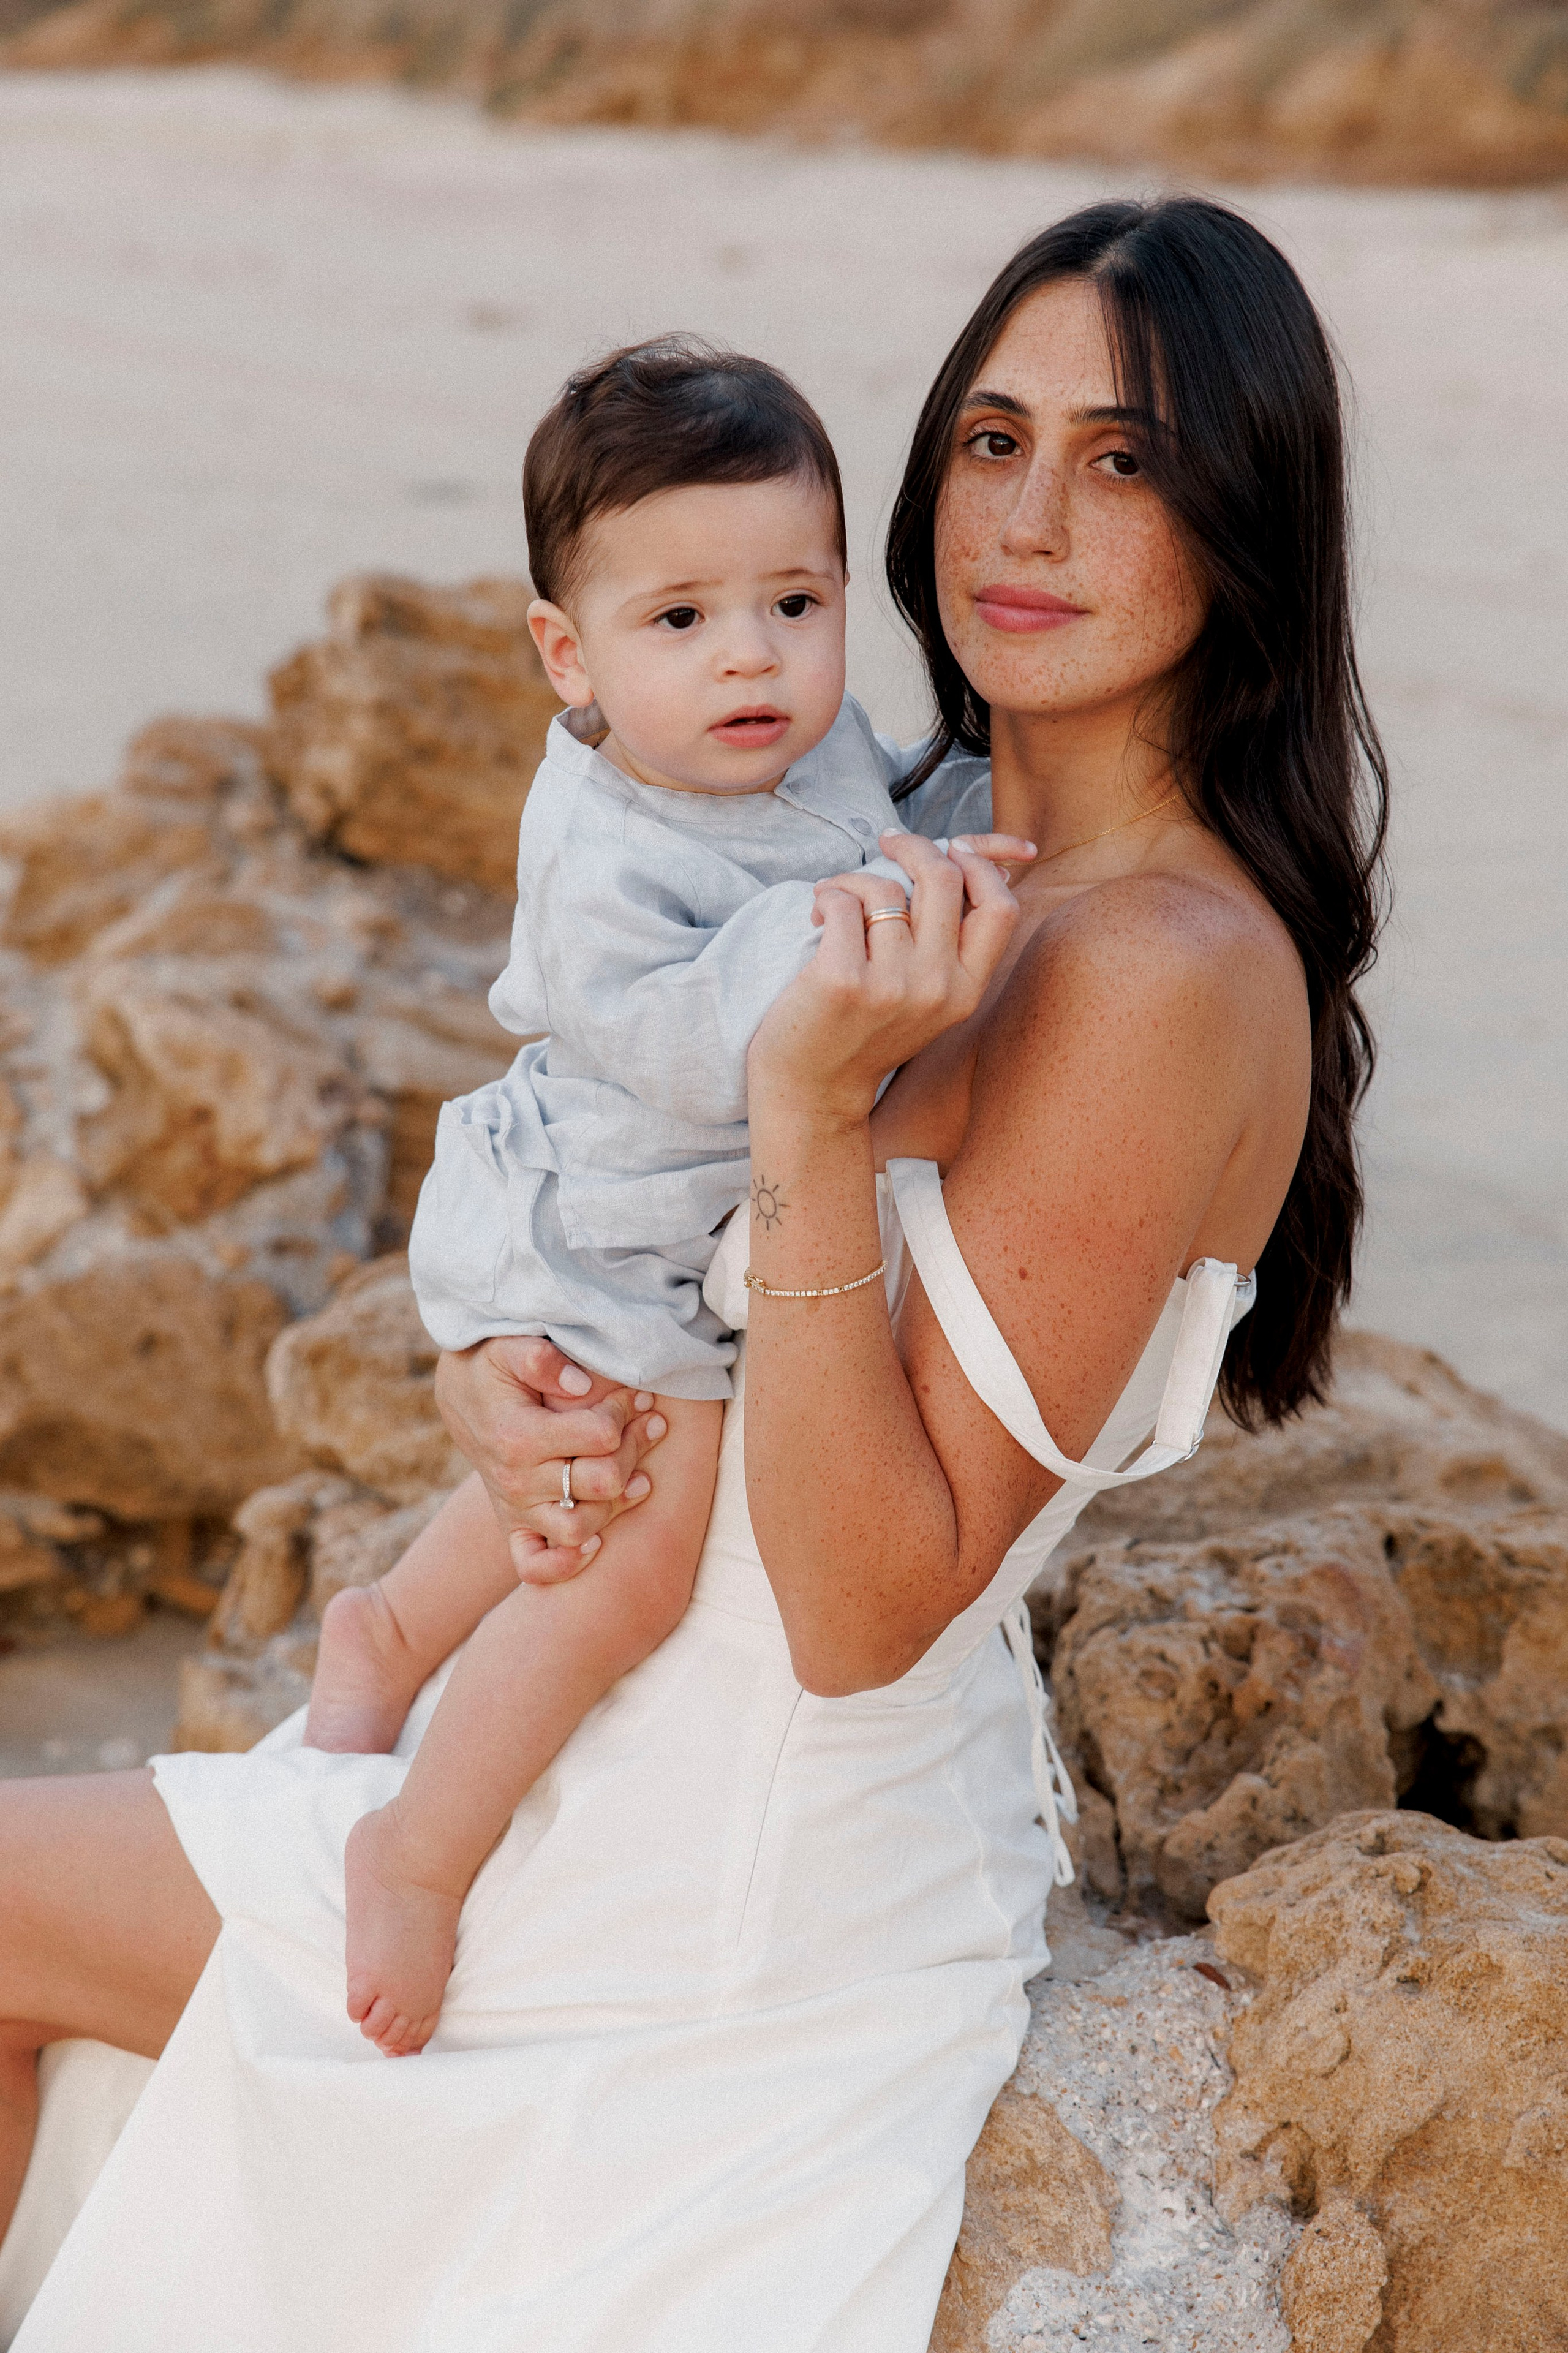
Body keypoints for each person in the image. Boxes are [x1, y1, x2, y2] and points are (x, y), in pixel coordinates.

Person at [0, 194, 1385, 2353]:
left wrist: (813, 1118)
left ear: (1247, 523)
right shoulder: (883, 818)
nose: (1028, 515)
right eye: (993, 439)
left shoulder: (1166, 971)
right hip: (579, 1703)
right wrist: (493, 1360)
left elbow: (855, 1605)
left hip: (730, 1857)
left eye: (1126, 461)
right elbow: (612, 1150)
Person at [306, 336, 1028, 2056]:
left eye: (795, 601)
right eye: (681, 620)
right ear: (569, 656)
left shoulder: (798, 741)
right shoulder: (602, 846)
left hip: (664, 1212)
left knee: (558, 1471)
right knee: (618, 1551)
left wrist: (967, 824)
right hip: (607, 1214)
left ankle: (390, 1624)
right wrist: (864, 926)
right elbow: (693, 1040)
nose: (753, 660)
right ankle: (416, 1848)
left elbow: (880, 816)